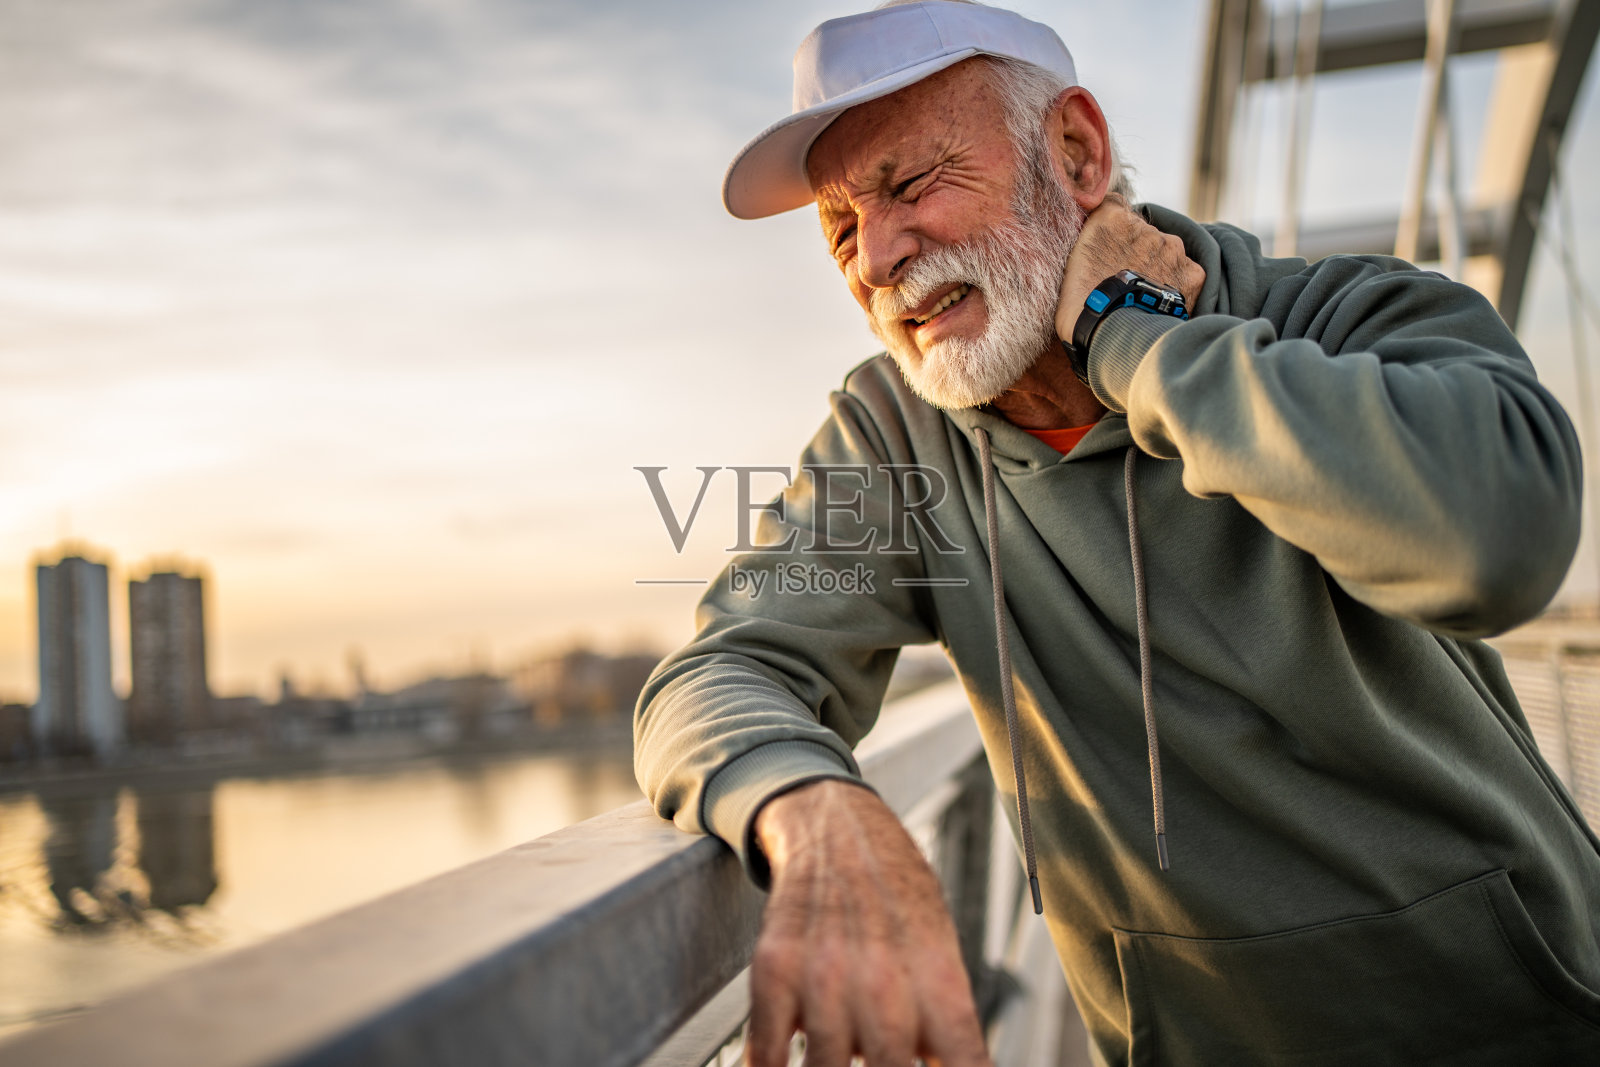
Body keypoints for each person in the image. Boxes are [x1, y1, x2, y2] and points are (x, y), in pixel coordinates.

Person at [634, 2, 1600, 1064]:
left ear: (1076, 152)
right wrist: (815, 812)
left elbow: (1499, 534)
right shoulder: (895, 440)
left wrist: (1130, 339)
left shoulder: (1339, 315)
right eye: (840, 230)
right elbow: (716, 672)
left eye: (911, 186)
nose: (876, 258)